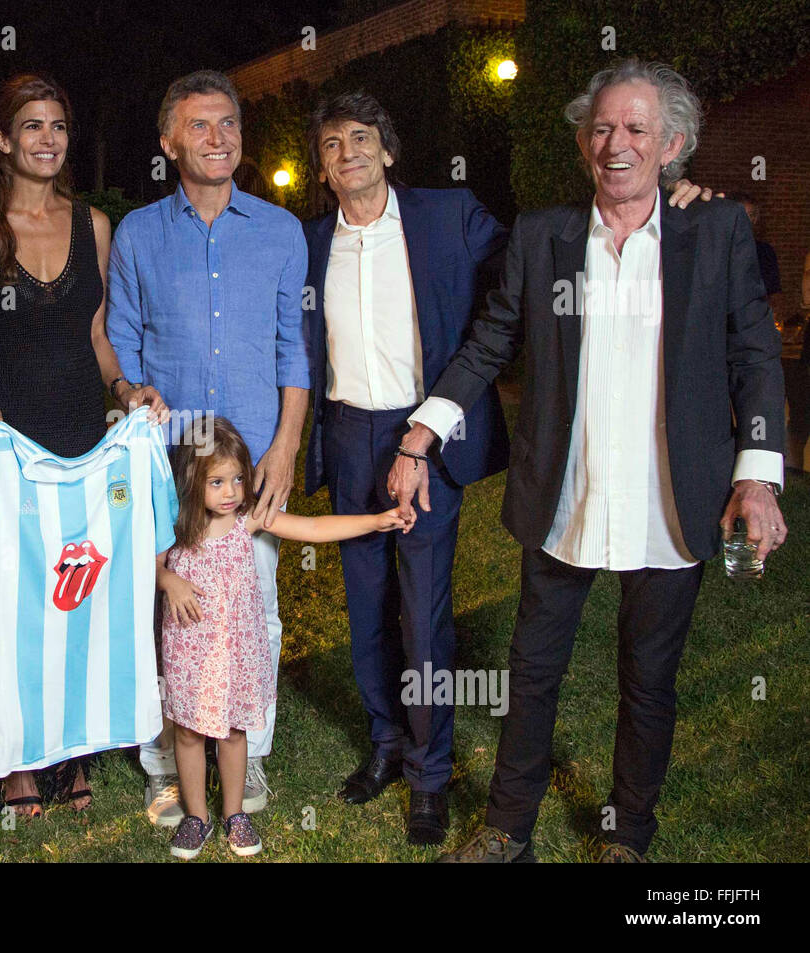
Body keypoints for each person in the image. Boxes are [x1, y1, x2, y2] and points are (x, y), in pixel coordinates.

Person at [397, 60, 786, 862]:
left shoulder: (713, 231)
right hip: (565, 499)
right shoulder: (544, 236)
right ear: (583, 142)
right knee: (531, 672)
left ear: (671, 143)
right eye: (603, 127)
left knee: (648, 684)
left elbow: (754, 353)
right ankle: (508, 828)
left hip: (669, 503)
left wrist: (757, 472)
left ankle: (629, 836)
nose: (618, 143)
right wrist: (421, 433)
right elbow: (491, 340)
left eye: (637, 129)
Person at [0, 73, 166, 817]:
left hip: (79, 439)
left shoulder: (93, 225)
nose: (48, 139)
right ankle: (8, 762)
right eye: (31, 126)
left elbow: (96, 335)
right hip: (7, 445)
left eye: (58, 127)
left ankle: (72, 752)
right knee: (4, 599)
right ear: (2, 139)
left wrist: (125, 392)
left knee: (80, 589)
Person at [300, 91, 510, 844]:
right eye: (332, 144)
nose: (348, 151)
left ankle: (430, 772)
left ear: (388, 151)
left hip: (424, 431)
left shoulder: (448, 215)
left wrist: (674, 196)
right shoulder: (312, 242)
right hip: (346, 429)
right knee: (364, 610)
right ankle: (386, 743)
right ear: (322, 168)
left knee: (422, 613)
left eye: (362, 137)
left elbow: (528, 266)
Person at [108, 70, 310, 826]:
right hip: (167, 464)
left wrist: (287, 443)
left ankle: (245, 754)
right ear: (168, 142)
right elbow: (120, 334)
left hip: (252, 460)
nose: (219, 137)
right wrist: (130, 391)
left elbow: (295, 347)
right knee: (169, 611)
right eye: (200, 126)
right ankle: (169, 760)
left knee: (254, 606)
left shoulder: (281, 231)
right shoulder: (137, 233)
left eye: (228, 123)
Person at [158, 418, 408, 858]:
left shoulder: (248, 521)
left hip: (236, 651)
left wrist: (376, 520)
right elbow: (145, 562)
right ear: (192, 480)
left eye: (238, 478)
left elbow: (313, 529)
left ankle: (235, 813)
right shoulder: (175, 527)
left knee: (234, 732)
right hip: (190, 653)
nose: (231, 490)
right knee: (190, 734)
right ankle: (197, 816)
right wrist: (168, 580)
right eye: (217, 481)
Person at [726, 190, 781, 302]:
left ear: (755, 219)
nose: (744, 221)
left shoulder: (764, 251)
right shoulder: (716, 250)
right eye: (740, 215)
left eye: (750, 215)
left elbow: (773, 291)